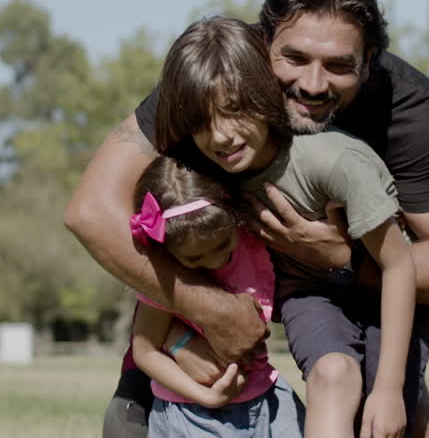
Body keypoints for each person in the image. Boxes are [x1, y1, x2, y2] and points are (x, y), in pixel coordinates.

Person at [65, 0, 429, 438]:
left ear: (369, 60)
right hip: (230, 294)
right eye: (295, 58)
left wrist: (339, 256)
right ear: (263, 45)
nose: (312, 83)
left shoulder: (408, 110)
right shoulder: (213, 80)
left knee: (387, 414)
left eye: (339, 65)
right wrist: (199, 321)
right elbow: (90, 212)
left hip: (365, 290)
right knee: (129, 426)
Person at [153, 16, 416, 438]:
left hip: (386, 293)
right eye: (201, 122)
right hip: (310, 295)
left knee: (393, 416)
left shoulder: (333, 162)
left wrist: (389, 389)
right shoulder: (207, 174)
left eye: (234, 110)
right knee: (333, 375)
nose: (220, 136)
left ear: (263, 93)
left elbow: (398, 266)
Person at [128, 155, 304, 438]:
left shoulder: (252, 241)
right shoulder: (168, 276)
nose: (214, 261)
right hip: (191, 414)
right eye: (195, 258)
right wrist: (206, 396)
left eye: (224, 246)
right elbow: (145, 351)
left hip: (266, 396)